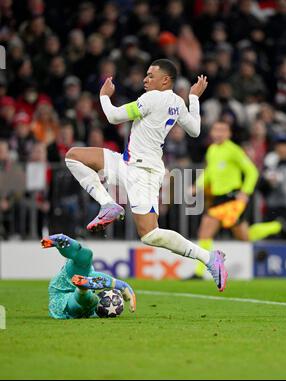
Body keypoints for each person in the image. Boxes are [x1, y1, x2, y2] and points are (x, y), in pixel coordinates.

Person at [65, 58, 228, 292]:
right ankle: (108, 204)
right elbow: (195, 130)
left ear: (165, 80)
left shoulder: (151, 98)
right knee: (74, 156)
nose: (145, 78)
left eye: (151, 75)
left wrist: (103, 95)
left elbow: (112, 116)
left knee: (150, 234)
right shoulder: (177, 103)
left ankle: (209, 258)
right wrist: (193, 98)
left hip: (143, 171)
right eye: (146, 74)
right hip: (127, 162)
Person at [193, 121, 283, 278]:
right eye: (216, 129)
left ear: (229, 134)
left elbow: (252, 171)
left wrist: (245, 193)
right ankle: (199, 272)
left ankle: (275, 226)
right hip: (218, 199)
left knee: (243, 237)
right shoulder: (212, 150)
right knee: (206, 233)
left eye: (223, 130)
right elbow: (209, 172)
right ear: (212, 132)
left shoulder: (234, 150)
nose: (219, 133)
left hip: (233, 199)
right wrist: (198, 185)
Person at [41, 233, 136, 319]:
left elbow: (113, 282)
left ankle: (82, 288)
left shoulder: (89, 273)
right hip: (66, 283)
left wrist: (125, 288)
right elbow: (113, 282)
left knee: (84, 302)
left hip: (67, 295)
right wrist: (125, 289)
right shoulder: (89, 273)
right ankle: (83, 289)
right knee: (87, 301)